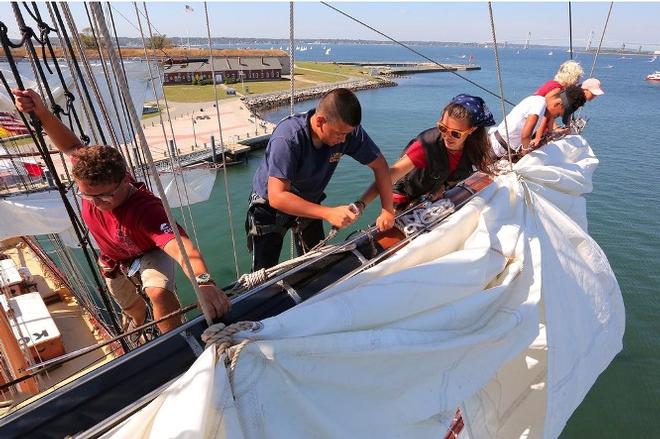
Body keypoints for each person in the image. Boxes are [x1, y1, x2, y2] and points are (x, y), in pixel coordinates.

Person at [13, 88, 230, 333]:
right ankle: (139, 322)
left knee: (158, 294)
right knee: (131, 308)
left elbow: (183, 249)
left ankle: (172, 345)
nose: (97, 203)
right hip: (112, 258)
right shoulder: (89, 168)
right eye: (87, 195)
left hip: (148, 251)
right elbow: (71, 145)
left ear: (124, 180)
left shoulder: (147, 209)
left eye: (105, 195)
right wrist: (41, 112)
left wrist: (205, 284)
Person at [246, 88, 394, 271]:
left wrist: (388, 209)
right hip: (270, 206)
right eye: (339, 134)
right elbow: (277, 196)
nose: (343, 140)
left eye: (347, 134)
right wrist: (329, 213)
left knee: (317, 265)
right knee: (264, 273)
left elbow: (380, 166)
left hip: (309, 200)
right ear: (320, 121)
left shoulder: (347, 132)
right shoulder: (288, 138)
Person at [359, 94, 495, 211]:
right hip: (403, 195)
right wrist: (362, 205)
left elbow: (458, 172)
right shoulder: (426, 146)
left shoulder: (474, 149)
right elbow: (387, 177)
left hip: (431, 194)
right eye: (442, 128)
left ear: (471, 130)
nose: (447, 136)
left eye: (455, 133)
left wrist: (442, 188)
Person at [489, 90, 565, 158]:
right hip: (497, 147)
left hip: (504, 147)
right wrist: (525, 151)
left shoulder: (539, 102)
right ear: (557, 104)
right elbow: (526, 135)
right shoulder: (539, 105)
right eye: (557, 114)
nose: (557, 117)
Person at [533, 60, 584, 143]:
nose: (577, 81)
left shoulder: (557, 86)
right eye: (577, 78)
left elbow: (552, 114)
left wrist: (551, 130)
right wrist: (538, 137)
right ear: (571, 77)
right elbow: (546, 114)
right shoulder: (557, 89)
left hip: (537, 123)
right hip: (535, 124)